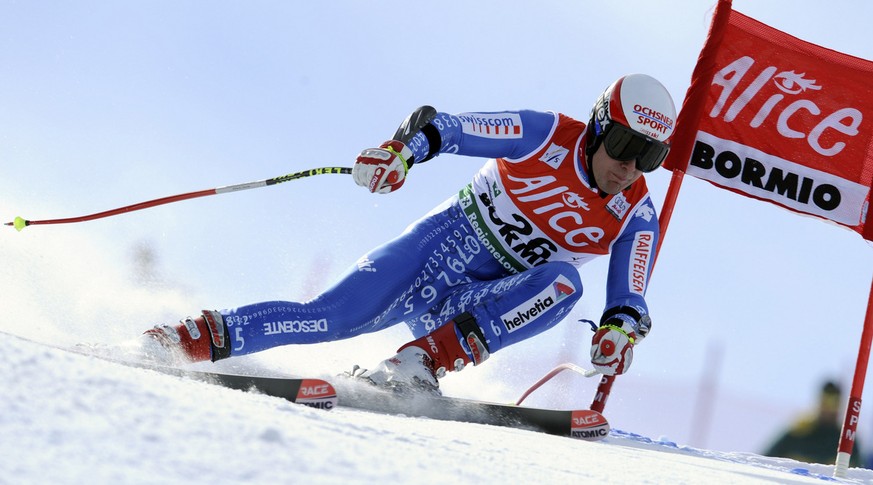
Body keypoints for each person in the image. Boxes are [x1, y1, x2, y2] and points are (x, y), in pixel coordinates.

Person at [141, 73, 676, 393]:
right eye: (626, 146)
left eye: (649, 156)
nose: (631, 167)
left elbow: (630, 299)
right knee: (330, 317)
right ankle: (183, 339)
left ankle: (420, 362)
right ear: (599, 126)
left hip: (470, 308)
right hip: (432, 254)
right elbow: (449, 127)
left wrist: (619, 334)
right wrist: (401, 153)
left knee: (563, 284)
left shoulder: (636, 212)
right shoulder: (545, 135)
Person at [764, 381, 862, 467]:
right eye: (826, 402)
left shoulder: (847, 440)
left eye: (834, 403)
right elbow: (764, 462)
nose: (829, 409)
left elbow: (859, 475)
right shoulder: (798, 433)